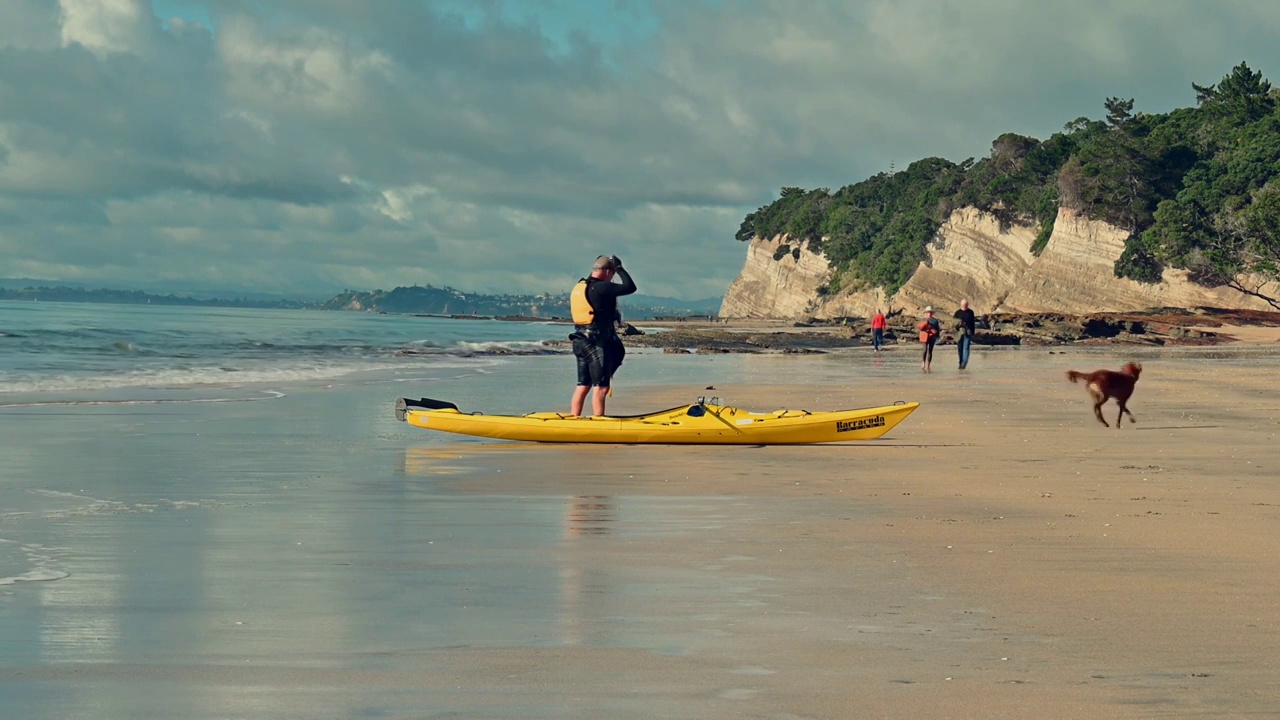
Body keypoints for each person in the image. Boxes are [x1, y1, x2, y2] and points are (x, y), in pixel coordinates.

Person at [569, 255, 637, 417]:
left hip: (579, 341)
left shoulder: (582, 287)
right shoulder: (601, 288)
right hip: (596, 343)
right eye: (612, 274)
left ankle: (573, 418)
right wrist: (620, 268)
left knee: (583, 385)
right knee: (601, 387)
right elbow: (630, 287)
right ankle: (598, 421)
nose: (612, 278)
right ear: (607, 271)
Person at [953, 299, 977, 370]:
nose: (965, 306)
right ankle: (960, 362)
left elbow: (973, 323)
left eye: (966, 305)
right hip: (959, 333)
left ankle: (964, 364)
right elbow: (954, 323)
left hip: (968, 333)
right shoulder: (957, 313)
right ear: (961, 305)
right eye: (963, 305)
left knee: (966, 348)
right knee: (960, 349)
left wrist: (973, 332)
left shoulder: (971, 312)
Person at [916, 306, 940, 373]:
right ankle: (923, 362)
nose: (929, 313)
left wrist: (937, 336)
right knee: (925, 350)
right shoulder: (923, 320)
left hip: (932, 337)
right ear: (926, 313)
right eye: (928, 312)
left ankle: (928, 364)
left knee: (930, 351)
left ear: (932, 313)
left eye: (930, 312)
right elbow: (920, 327)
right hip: (924, 336)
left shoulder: (935, 321)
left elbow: (937, 329)